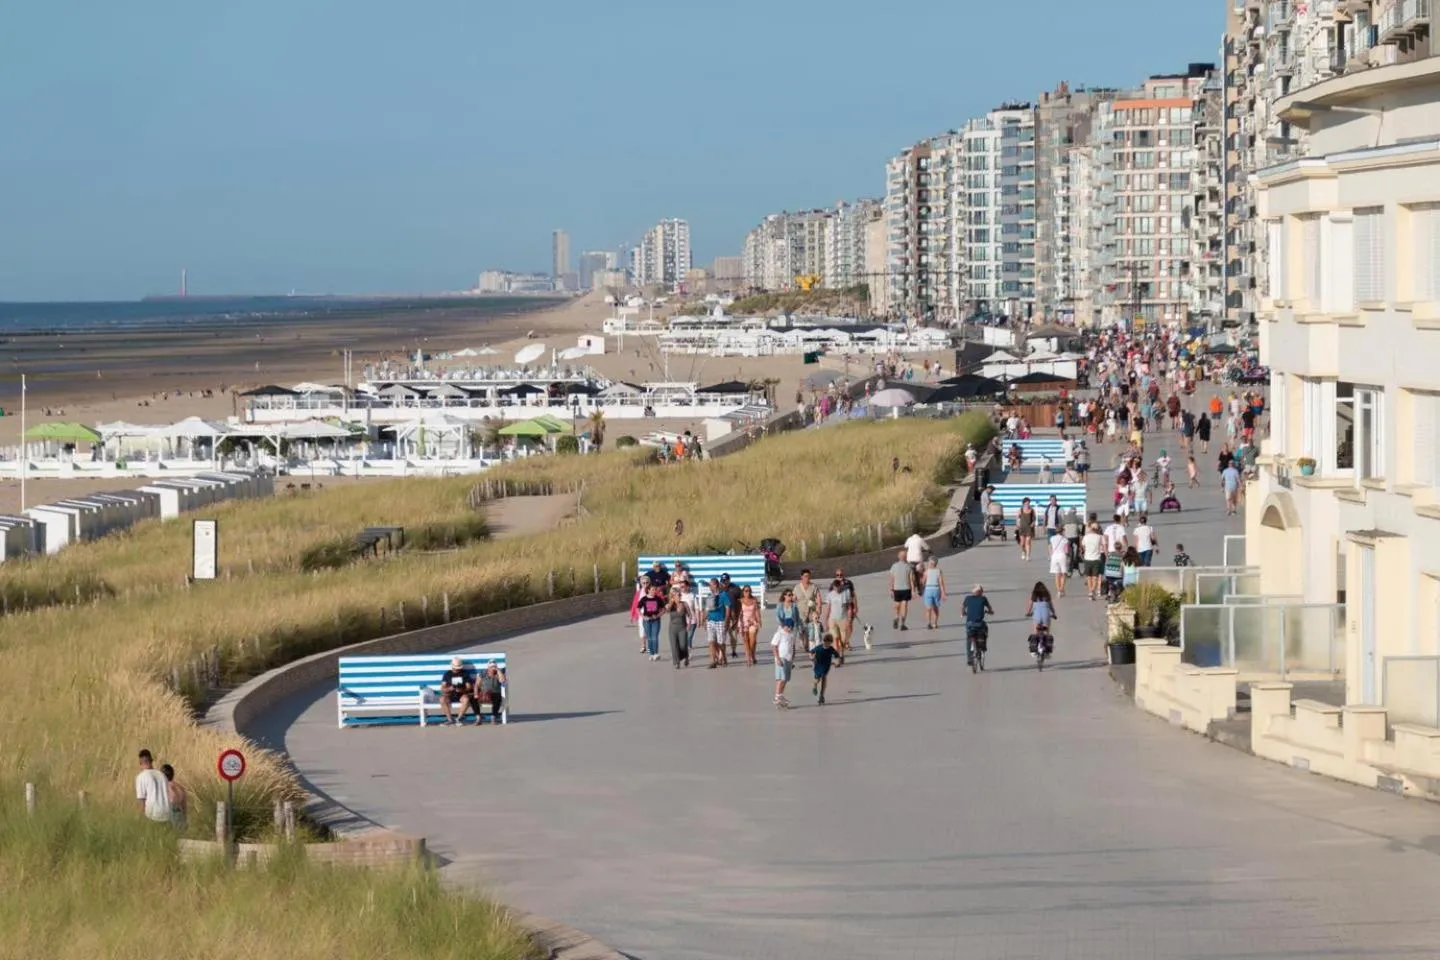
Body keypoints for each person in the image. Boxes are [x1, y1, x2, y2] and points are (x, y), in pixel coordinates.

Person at [135, 749, 171, 824]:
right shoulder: (162, 775)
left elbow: (142, 801)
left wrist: (141, 818)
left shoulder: (141, 776)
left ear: (140, 763)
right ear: (151, 760)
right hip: (167, 814)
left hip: (153, 815)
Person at [961, 586, 994, 666]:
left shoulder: (967, 598)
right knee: (985, 628)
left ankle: (969, 659)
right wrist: (990, 612)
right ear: (980, 592)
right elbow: (990, 609)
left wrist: (963, 613)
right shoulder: (983, 598)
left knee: (969, 639)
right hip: (979, 624)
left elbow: (963, 607)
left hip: (969, 623)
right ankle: (983, 645)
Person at [438, 656, 474, 725]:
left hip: (461, 694)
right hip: (450, 694)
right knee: (442, 699)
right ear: (452, 667)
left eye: (458, 669)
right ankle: (449, 719)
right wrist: (449, 689)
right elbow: (442, 688)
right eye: (455, 668)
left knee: (466, 699)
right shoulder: (447, 674)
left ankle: (458, 718)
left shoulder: (465, 674)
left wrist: (462, 690)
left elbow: (469, 687)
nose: (457, 670)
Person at [704, 578, 731, 668]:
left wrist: (727, 620)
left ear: (717, 585)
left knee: (721, 642)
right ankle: (713, 661)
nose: (711, 587)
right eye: (710, 585)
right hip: (711, 620)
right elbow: (706, 609)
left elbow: (728, 608)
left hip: (720, 620)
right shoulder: (709, 596)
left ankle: (723, 656)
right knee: (711, 641)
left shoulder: (723, 595)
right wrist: (704, 620)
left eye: (713, 585)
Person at [792, 569, 820, 652]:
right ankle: (804, 643)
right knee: (802, 630)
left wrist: (818, 610)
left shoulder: (813, 587)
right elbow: (793, 598)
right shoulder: (797, 587)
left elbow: (818, 598)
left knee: (810, 629)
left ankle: (808, 645)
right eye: (805, 576)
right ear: (801, 577)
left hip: (811, 611)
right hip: (800, 612)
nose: (807, 578)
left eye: (809, 576)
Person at [637, 583, 666, 661]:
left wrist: (658, 615)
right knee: (649, 638)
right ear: (648, 590)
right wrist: (643, 616)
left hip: (656, 620)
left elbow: (664, 609)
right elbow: (638, 608)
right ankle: (651, 654)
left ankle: (656, 654)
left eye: (655, 589)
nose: (654, 591)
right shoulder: (644, 599)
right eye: (652, 590)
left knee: (655, 637)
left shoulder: (658, 599)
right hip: (647, 621)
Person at [771, 619, 796, 708]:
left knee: (786, 679)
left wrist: (792, 660)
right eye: (787, 626)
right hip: (781, 658)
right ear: (784, 626)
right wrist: (777, 658)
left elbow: (793, 647)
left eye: (791, 627)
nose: (789, 628)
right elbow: (774, 646)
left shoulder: (792, 635)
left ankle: (780, 695)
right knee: (781, 678)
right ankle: (777, 696)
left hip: (789, 658)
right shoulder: (779, 634)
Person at [666, 586, 692, 669]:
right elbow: (667, 611)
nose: (680, 596)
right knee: (674, 646)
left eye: (680, 595)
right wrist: (671, 602)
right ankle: (677, 662)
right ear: (673, 596)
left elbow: (690, 615)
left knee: (683, 645)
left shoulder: (684, 604)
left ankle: (686, 657)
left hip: (682, 627)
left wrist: (689, 624)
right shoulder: (670, 605)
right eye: (678, 595)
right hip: (672, 628)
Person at [889, 549, 916, 631]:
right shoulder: (909, 566)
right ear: (906, 557)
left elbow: (891, 578)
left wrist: (891, 589)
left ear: (898, 557)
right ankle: (903, 624)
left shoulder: (894, 566)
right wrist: (913, 590)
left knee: (897, 604)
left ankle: (896, 616)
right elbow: (912, 580)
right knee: (904, 606)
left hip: (897, 589)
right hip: (906, 588)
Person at [1081, 521, 1106, 601]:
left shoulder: (1086, 537)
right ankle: (1092, 591)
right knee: (1095, 577)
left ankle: (1090, 592)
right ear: (1098, 529)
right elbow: (1104, 547)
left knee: (1089, 577)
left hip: (1087, 559)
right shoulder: (1100, 537)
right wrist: (1106, 554)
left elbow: (1083, 547)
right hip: (1096, 559)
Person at [738, 585, 762, 666]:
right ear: (743, 592)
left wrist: (759, 621)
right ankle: (749, 657)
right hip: (743, 622)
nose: (747, 592)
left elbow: (757, 612)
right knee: (746, 641)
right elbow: (740, 614)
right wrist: (740, 623)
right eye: (746, 591)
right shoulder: (740, 601)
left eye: (749, 591)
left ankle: (751, 655)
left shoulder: (754, 600)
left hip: (753, 621)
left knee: (753, 641)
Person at [811, 634, 838, 705]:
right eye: (825, 642)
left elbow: (836, 655)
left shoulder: (831, 649)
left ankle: (821, 695)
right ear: (823, 641)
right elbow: (811, 652)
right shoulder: (819, 648)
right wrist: (812, 659)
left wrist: (836, 663)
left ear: (830, 642)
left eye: (828, 643)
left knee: (824, 678)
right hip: (818, 666)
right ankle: (814, 685)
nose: (826, 644)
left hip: (826, 666)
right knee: (817, 680)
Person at [919, 557, 946, 630]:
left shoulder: (938, 571)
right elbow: (923, 582)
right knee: (928, 608)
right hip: (928, 589)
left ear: (934, 563)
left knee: (935, 607)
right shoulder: (927, 571)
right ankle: (929, 623)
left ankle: (935, 622)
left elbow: (941, 582)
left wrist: (943, 593)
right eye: (930, 563)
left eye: (931, 563)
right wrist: (921, 590)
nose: (930, 564)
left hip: (936, 589)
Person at [161, 763, 188, 832]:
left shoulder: (162, 787)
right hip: (179, 814)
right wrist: (184, 820)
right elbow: (184, 807)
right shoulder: (180, 788)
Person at [1048, 527, 1071, 597]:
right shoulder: (1065, 540)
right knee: (1064, 574)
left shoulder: (1052, 538)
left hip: (1054, 556)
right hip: (1062, 556)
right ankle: (1062, 589)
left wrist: (1051, 555)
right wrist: (1069, 557)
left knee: (1057, 574)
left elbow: (1049, 547)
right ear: (1062, 531)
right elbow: (1067, 551)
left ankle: (1058, 590)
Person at [1016, 497, 1037, 562]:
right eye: (1026, 503)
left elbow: (1034, 519)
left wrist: (1033, 523)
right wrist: (1017, 524)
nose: (1027, 505)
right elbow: (1017, 518)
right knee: (1022, 543)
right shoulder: (1021, 510)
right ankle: (1023, 551)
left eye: (1028, 503)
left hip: (1029, 528)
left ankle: (1028, 556)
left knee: (1028, 542)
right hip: (1022, 528)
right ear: (1023, 504)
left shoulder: (1032, 510)